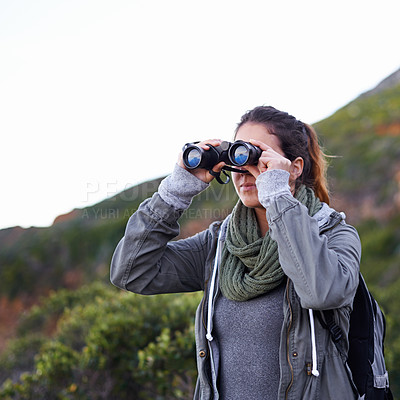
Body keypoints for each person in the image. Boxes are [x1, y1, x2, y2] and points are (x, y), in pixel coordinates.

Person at [110, 106, 361, 399]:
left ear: (294, 168)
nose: (244, 172)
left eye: (256, 156)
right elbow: (131, 273)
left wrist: (277, 196)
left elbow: (321, 292)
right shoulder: (218, 246)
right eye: (237, 159)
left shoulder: (334, 235)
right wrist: (174, 192)